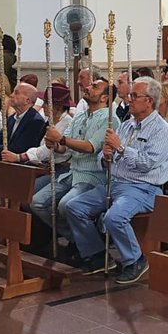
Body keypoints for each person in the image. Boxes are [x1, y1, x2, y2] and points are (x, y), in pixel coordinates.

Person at [65, 77, 168, 283]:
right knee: (74, 207)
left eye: (134, 96)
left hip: (143, 188)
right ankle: (98, 256)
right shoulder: (127, 125)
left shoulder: (162, 130)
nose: (128, 99)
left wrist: (120, 148)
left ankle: (135, 260)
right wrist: (106, 157)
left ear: (149, 101)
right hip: (115, 184)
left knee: (113, 217)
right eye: (130, 95)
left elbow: (147, 164)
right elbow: (104, 157)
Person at [35, 79, 118, 261]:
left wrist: (62, 139)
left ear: (105, 97)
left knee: (66, 205)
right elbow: (66, 148)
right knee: (37, 202)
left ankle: (92, 250)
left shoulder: (109, 119)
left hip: (92, 176)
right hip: (72, 172)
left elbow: (90, 147)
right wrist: (55, 145)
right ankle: (79, 239)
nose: (87, 88)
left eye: (94, 87)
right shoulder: (81, 116)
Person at [0, 83, 49, 163]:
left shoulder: (35, 121)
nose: (11, 95)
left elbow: (17, 150)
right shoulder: (12, 118)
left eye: (16, 93)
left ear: (27, 100)